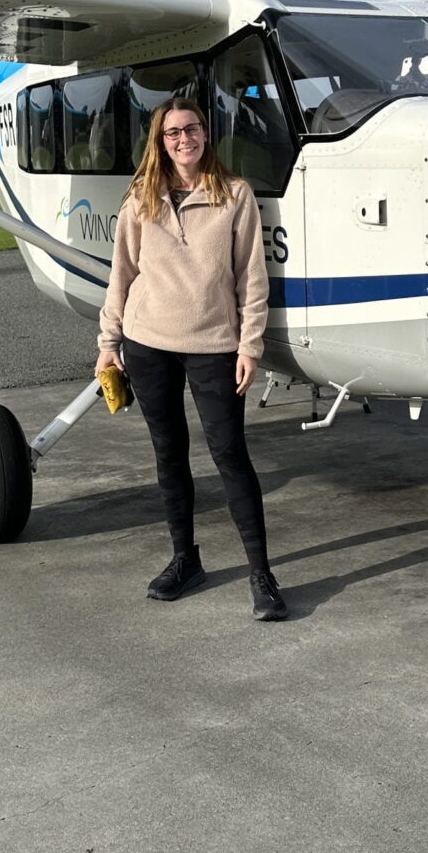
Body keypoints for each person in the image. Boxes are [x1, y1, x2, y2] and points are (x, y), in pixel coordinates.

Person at [95, 95, 287, 620]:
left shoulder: (235, 195)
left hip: (214, 346)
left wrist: (250, 345)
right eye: (173, 132)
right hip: (147, 343)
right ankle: (185, 560)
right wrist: (108, 345)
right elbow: (122, 276)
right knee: (169, 455)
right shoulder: (141, 198)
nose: (185, 139)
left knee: (230, 456)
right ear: (160, 141)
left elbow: (251, 276)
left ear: (207, 135)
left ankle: (261, 574)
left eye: (193, 129)